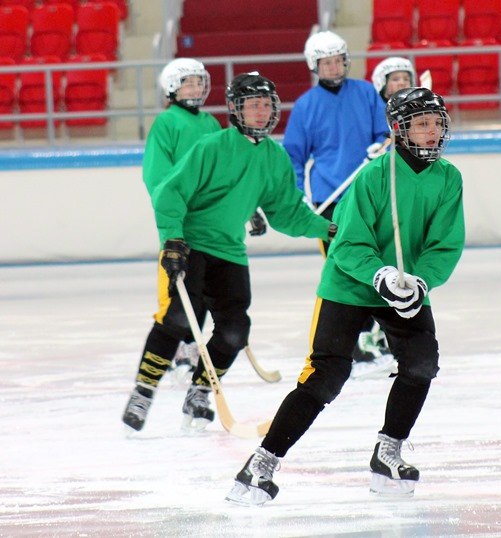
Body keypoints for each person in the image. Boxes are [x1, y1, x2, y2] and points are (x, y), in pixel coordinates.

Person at [226, 87, 465, 506]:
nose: (431, 133)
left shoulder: (449, 178)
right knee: (326, 376)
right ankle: (261, 464)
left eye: (436, 124)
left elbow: (444, 245)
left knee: (422, 364)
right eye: (421, 124)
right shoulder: (374, 176)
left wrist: (420, 282)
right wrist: (381, 275)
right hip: (349, 286)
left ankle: (387, 453)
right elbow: (348, 245)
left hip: (407, 289)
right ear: (399, 129)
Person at [121, 72, 337, 433]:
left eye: (266, 104)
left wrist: (328, 228)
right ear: (236, 110)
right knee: (178, 319)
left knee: (236, 331)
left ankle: (200, 391)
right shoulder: (211, 147)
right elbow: (169, 193)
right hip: (192, 244)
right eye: (252, 105)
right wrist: (173, 238)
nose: (260, 111)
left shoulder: (274, 157)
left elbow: (286, 211)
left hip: (229, 251)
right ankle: (143, 391)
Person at [283, 30, 396, 379]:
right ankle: (350, 342)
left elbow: (385, 134)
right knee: (344, 271)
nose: (333, 67)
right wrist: (297, 192)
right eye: (326, 62)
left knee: (380, 265)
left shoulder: (365, 93)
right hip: (328, 202)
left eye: (338, 61)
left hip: (368, 196)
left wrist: (380, 146)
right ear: (315, 66)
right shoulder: (305, 106)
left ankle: (385, 337)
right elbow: (294, 156)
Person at [140, 58, 221, 386]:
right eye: (189, 82)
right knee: (174, 291)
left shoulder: (212, 123)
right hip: (180, 224)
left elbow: (224, 169)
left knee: (203, 289)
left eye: (199, 81)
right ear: (172, 88)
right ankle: (170, 350)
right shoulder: (166, 124)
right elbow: (157, 176)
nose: (197, 87)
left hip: (211, 226)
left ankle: (190, 346)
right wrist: (175, 212)